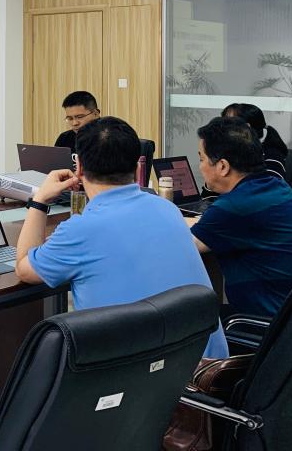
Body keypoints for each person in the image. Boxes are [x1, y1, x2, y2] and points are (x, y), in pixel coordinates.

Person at [15, 116, 228, 359]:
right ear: (138, 169)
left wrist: (40, 200)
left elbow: (23, 268)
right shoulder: (167, 208)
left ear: (79, 168)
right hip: (209, 368)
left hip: (138, 375)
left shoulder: (80, 230)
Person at [190, 116, 292, 317]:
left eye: (202, 158)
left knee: (186, 318)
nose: (200, 166)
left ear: (223, 166)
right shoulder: (275, 186)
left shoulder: (234, 206)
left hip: (272, 325)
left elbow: (185, 246)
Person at [221, 102, 288, 178]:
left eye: (229, 124)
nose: (224, 129)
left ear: (246, 128)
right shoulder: (231, 153)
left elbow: (270, 184)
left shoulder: (271, 155)